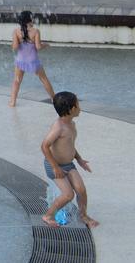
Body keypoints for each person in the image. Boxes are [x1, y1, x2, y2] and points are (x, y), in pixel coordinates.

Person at [41, 91, 98, 229]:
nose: (80, 107)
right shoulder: (59, 127)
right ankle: (48, 215)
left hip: (68, 164)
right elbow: (44, 146)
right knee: (68, 195)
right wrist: (55, 167)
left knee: (81, 189)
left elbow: (69, 145)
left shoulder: (71, 124)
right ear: (72, 109)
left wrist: (79, 159)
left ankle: (83, 215)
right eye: (78, 105)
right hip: (54, 165)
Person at [9, 10, 54, 107]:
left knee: (16, 81)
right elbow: (38, 47)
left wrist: (13, 43)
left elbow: (15, 47)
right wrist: (45, 45)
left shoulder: (16, 31)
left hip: (20, 61)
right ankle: (53, 99)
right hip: (33, 60)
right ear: (30, 19)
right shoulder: (35, 31)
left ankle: (13, 102)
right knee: (44, 79)